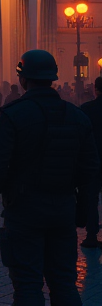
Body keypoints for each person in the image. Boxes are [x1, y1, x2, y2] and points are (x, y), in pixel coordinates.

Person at [0, 50, 100, 305]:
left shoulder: (12, 114)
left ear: (23, 79)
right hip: (64, 208)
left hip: (24, 209)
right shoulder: (77, 116)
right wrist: (82, 211)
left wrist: (7, 191)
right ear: (53, 78)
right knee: (64, 285)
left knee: (27, 286)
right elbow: (90, 171)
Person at [82, 77, 102, 248]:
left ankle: (91, 235)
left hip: (93, 160)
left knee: (91, 198)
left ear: (96, 89)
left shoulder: (87, 109)